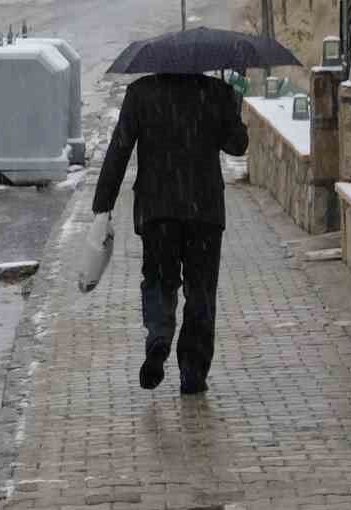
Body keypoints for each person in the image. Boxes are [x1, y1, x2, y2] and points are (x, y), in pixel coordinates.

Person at [91, 73, 249, 395]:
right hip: (203, 211)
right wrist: (233, 102)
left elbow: (119, 148)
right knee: (200, 290)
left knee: (159, 279)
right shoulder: (214, 91)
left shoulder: (141, 93)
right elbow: (237, 145)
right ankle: (193, 372)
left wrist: (103, 204)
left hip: (157, 210)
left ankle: (159, 337)